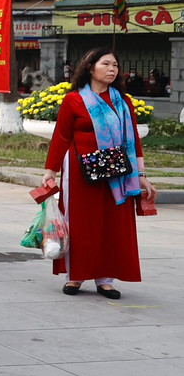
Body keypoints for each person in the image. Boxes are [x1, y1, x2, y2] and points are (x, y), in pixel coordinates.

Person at [42, 47, 157, 299]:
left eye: (115, 65)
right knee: (81, 222)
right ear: (90, 67)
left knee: (112, 224)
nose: (112, 69)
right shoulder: (74, 100)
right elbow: (61, 136)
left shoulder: (123, 102)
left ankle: (105, 279)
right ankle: (76, 275)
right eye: (106, 64)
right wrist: (50, 170)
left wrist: (141, 174)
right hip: (80, 171)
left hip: (118, 172)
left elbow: (133, 140)